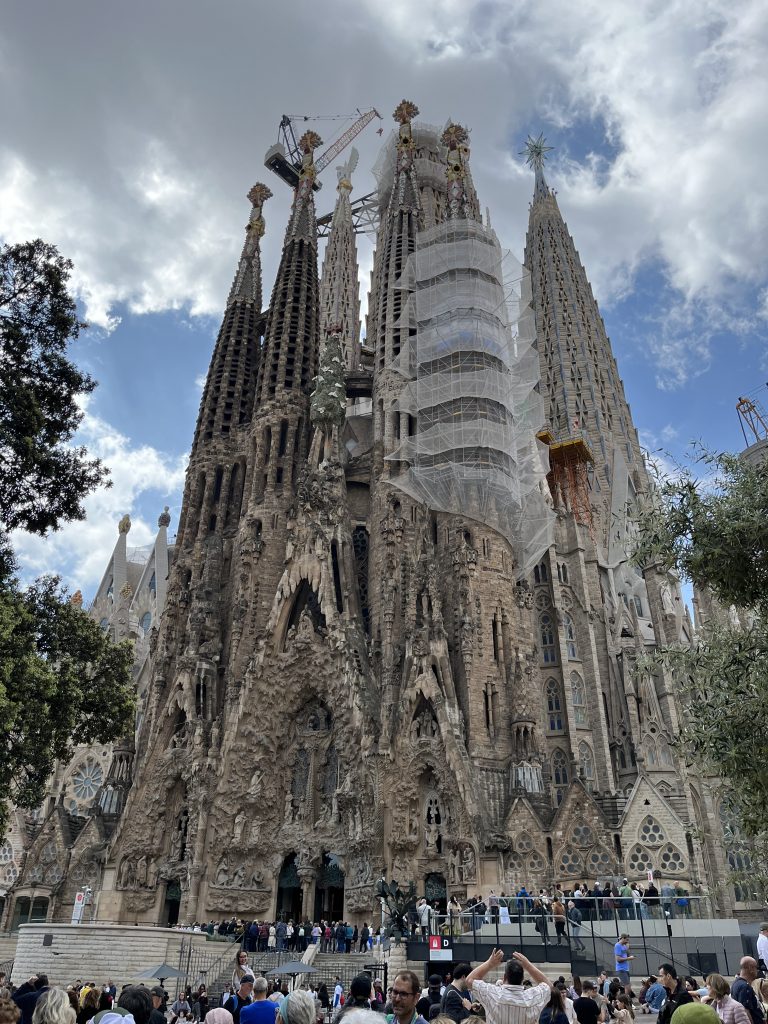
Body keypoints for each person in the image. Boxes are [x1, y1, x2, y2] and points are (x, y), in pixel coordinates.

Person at [467, 948, 552, 1024]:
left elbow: (469, 980)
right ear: (522, 978)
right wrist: (527, 965)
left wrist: (490, 964)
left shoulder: (491, 994)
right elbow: (549, 986)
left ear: (504, 977)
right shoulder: (533, 998)